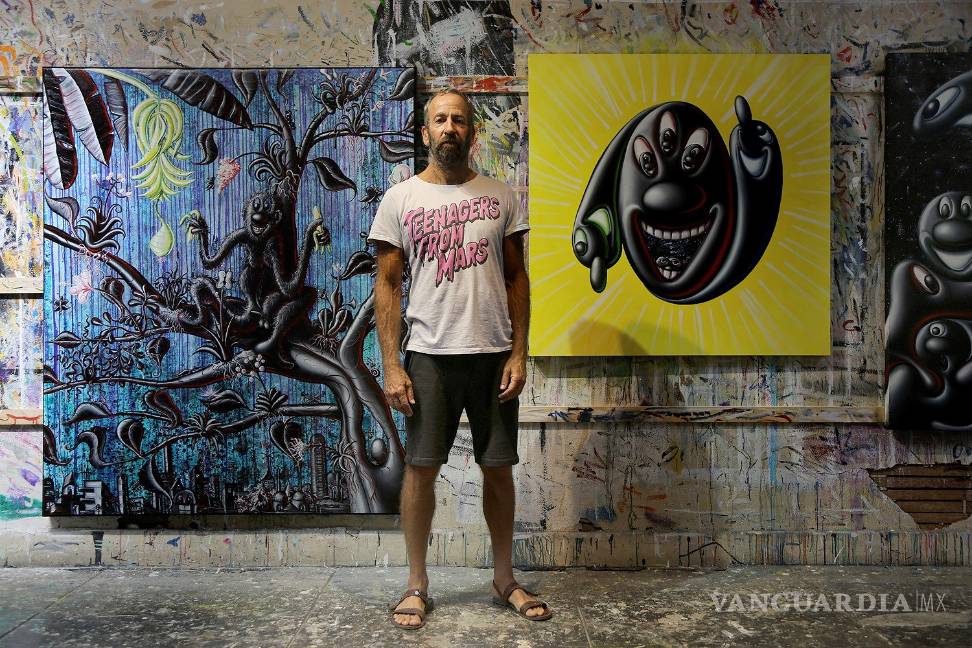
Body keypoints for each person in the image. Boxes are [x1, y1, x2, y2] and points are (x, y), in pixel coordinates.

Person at [368, 88, 553, 629]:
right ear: (426, 132)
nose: (449, 127)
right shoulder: (400, 198)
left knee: (498, 469)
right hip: (429, 354)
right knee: (421, 470)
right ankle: (416, 584)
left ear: (473, 132)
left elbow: (516, 277)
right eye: (440, 119)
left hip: (493, 355)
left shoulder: (500, 195)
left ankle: (504, 579)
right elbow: (387, 285)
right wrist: (392, 366)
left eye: (459, 120)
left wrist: (519, 352)